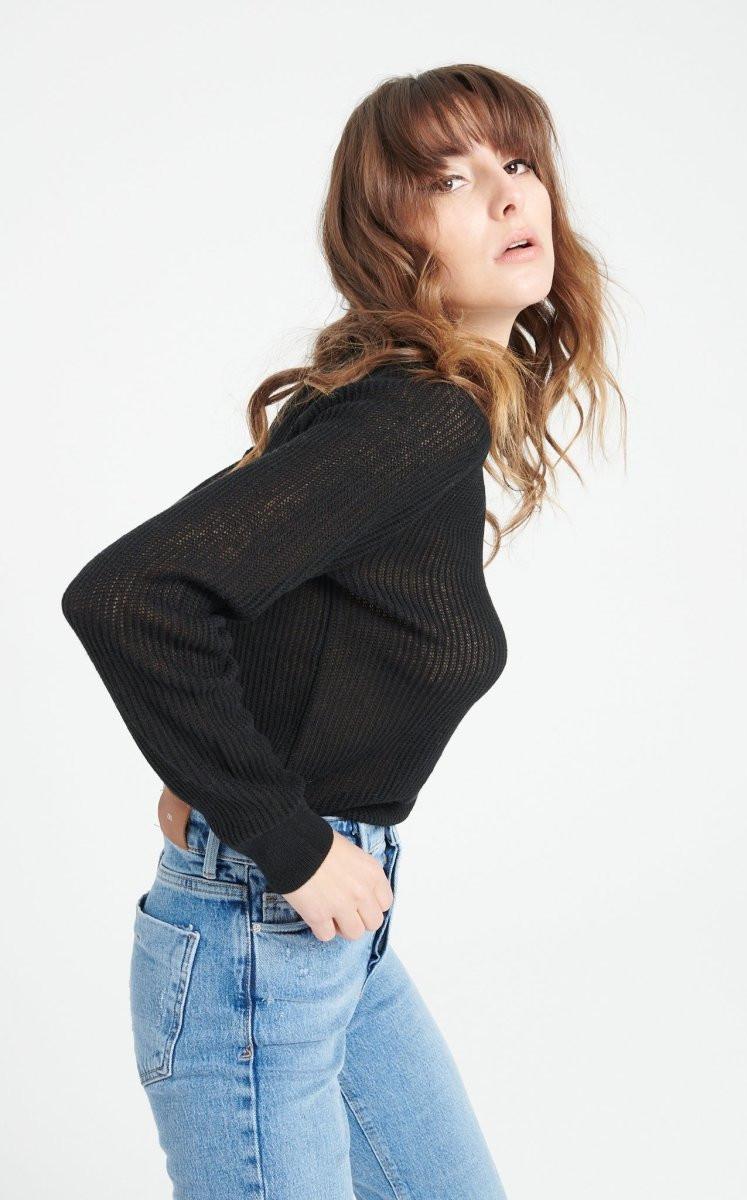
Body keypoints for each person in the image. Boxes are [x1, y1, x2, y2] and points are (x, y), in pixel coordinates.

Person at [61, 63, 624, 1200]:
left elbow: (274, 615)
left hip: (320, 936)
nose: (509, 195)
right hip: (265, 931)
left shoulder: (417, 406)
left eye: (516, 162)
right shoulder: (416, 416)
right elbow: (132, 595)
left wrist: (223, 776)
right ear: (389, 239)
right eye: (449, 180)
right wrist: (281, 834)